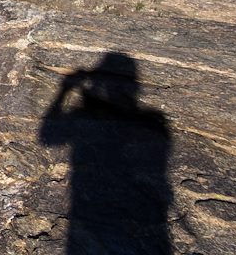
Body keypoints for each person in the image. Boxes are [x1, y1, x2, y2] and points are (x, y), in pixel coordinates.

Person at [38, 51, 173, 254]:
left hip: (90, 207)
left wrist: (65, 90)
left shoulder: (86, 118)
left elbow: (47, 138)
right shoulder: (153, 123)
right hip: (135, 212)